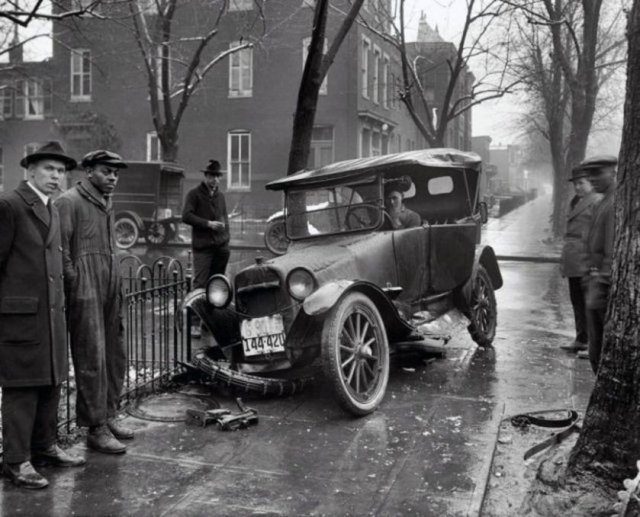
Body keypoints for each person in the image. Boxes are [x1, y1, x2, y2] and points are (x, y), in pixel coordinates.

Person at [0, 142, 85, 489]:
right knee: (22, 389)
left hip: (49, 316)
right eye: (49, 168)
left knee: (50, 382)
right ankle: (16, 461)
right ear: (30, 170)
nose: (56, 176)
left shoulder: (52, 208)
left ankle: (44, 447)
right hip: (20, 317)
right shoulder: (10, 206)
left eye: (61, 170)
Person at [56, 150, 133, 454]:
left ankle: (109, 413)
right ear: (88, 171)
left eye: (116, 172)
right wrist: (75, 284)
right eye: (106, 171)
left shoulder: (105, 201)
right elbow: (60, 251)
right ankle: (95, 427)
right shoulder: (69, 201)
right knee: (91, 357)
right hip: (85, 288)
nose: (112, 177)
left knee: (115, 355)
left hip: (110, 284)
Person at [575, 155, 618, 372]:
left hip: (602, 287)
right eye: (591, 174)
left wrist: (601, 283)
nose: (594, 179)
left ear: (613, 172)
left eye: (598, 173)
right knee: (596, 350)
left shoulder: (614, 203)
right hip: (594, 281)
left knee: (601, 351)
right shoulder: (603, 201)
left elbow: (612, 250)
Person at [559, 167, 601, 354]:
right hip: (573, 259)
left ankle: (594, 345)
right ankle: (581, 339)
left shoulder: (597, 201)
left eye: (581, 183)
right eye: (575, 184)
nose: (577, 187)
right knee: (577, 301)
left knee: (590, 303)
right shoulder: (576, 201)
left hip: (587, 258)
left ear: (591, 182)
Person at [182, 159, 230, 289]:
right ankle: (197, 309)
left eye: (217, 176)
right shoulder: (194, 194)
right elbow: (186, 216)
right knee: (200, 284)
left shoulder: (220, 196)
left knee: (217, 284)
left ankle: (213, 309)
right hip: (203, 248)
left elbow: (225, 219)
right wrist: (208, 224)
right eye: (212, 176)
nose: (215, 179)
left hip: (220, 249)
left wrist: (226, 242)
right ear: (206, 176)